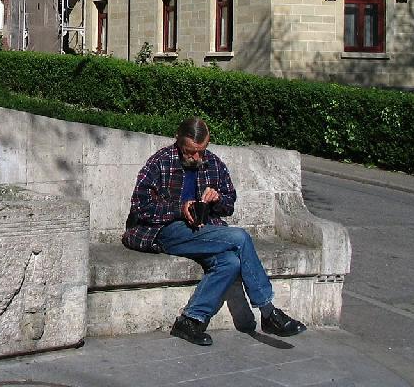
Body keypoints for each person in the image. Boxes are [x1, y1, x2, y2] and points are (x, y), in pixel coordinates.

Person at [123, 116, 307, 346]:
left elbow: (229, 205)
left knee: (230, 262)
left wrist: (218, 199)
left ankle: (190, 321)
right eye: (190, 152)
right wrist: (180, 209)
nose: (196, 157)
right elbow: (140, 207)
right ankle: (269, 312)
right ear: (178, 142)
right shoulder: (160, 162)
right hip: (165, 231)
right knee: (240, 238)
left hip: (202, 232)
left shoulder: (213, 163)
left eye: (201, 151)